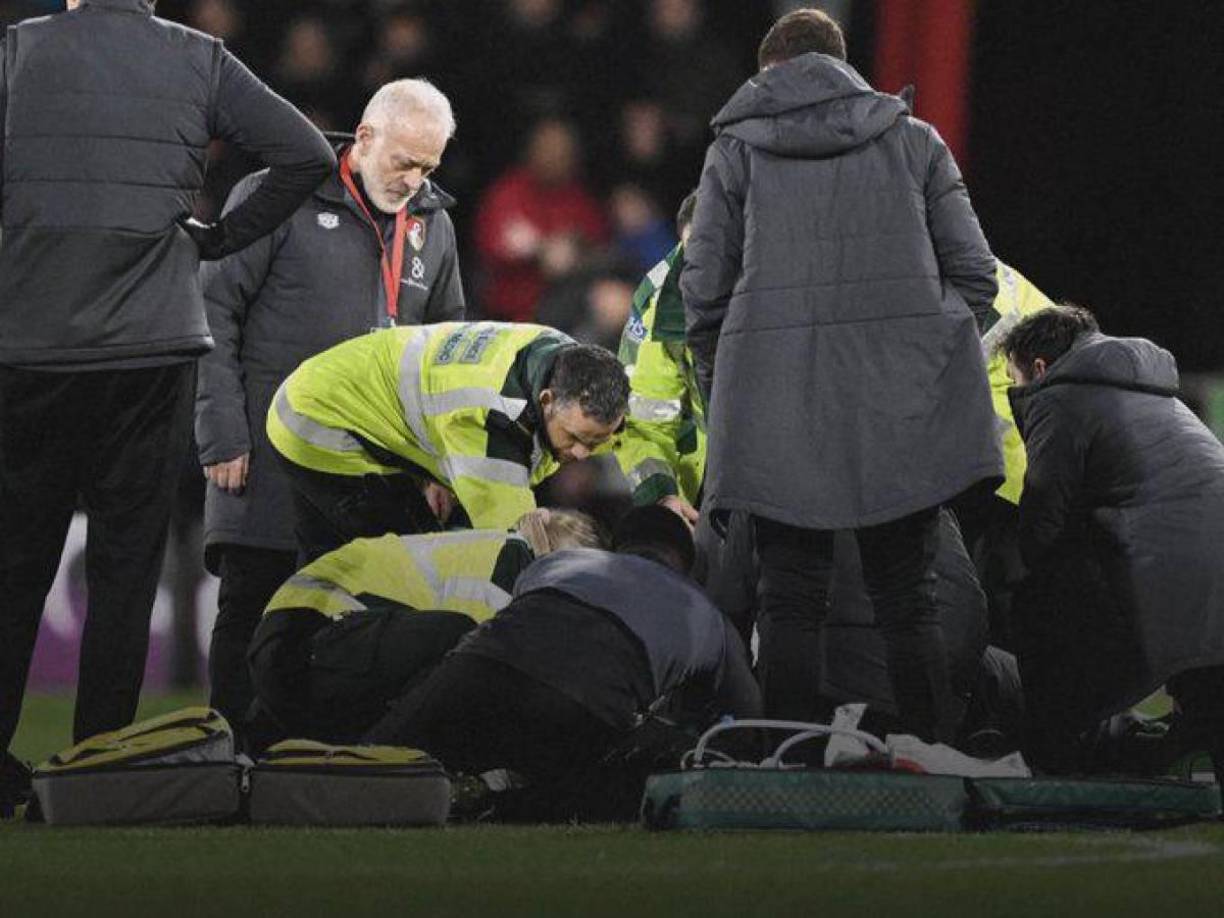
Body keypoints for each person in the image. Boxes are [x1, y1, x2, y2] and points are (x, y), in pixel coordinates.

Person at [0, 0, 334, 810]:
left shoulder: (17, 51)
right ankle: (99, 767)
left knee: (14, 562)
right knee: (125, 561)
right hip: (150, 345)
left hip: (30, 344)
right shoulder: (198, 57)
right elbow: (307, 152)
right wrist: (215, 237)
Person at [681, 8, 1002, 742]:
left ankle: (785, 765)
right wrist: (917, 354)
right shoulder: (916, 143)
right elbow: (977, 279)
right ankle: (931, 763)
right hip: (899, 406)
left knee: (789, 601)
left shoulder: (736, 153)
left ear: (771, 72)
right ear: (845, 67)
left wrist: (728, 379)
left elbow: (703, 291)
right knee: (908, 598)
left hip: (778, 404)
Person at [195, 78, 465, 728]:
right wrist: (222, 431)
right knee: (252, 611)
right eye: (404, 162)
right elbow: (212, 309)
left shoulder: (434, 225)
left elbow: (448, 354)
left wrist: (438, 463)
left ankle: (322, 768)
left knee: (352, 623)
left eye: (429, 167)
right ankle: (230, 760)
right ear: (364, 138)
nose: (413, 180)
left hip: (377, 478)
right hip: (267, 457)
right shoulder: (275, 194)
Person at [364, 505, 761, 821]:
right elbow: (747, 720)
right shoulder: (708, 615)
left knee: (367, 767)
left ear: (616, 547)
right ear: (685, 562)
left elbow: (533, 635)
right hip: (580, 705)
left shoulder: (557, 565)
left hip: (476, 666)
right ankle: (492, 799)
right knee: (609, 786)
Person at [1001, 305, 1224, 780]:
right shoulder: (1157, 396)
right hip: (1209, 555)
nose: (1015, 393)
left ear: (1039, 368)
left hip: (1167, 564)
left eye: (1012, 380)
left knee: (1037, 605)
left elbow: (1043, 509)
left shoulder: (1059, 397)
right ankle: (1170, 752)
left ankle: (1056, 762)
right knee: (1207, 685)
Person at [266, 321, 629, 561]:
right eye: (576, 438)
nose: (583, 454)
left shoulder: (557, 357)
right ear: (546, 400)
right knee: (410, 566)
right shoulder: (487, 426)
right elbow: (518, 550)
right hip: (318, 419)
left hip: (350, 384)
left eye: (597, 442)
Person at [245, 508, 602, 750]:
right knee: (467, 653)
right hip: (315, 646)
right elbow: (487, 674)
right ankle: (379, 759)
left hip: (293, 648)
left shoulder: (485, 547)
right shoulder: (509, 566)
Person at [474, 118, 608, 322]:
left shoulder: (581, 199)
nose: (554, 158)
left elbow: (602, 249)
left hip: (571, 312)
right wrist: (543, 249)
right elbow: (494, 247)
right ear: (531, 151)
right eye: (547, 149)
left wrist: (575, 251)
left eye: (562, 153)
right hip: (511, 317)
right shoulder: (507, 194)